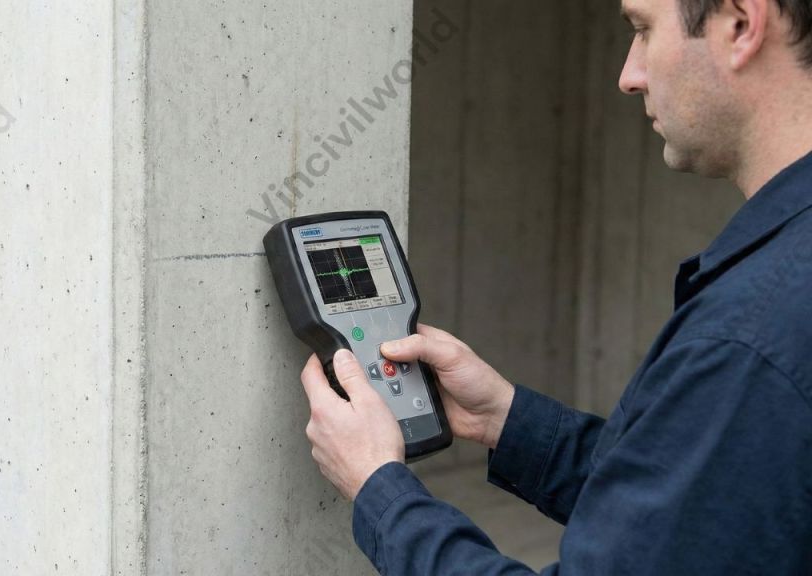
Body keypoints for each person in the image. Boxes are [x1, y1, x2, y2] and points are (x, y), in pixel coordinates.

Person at [299, 0, 812, 573]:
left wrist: (381, 492)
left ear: (740, 23)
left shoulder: (750, 336)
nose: (629, 76)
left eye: (644, 29)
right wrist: (505, 420)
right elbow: (689, 516)